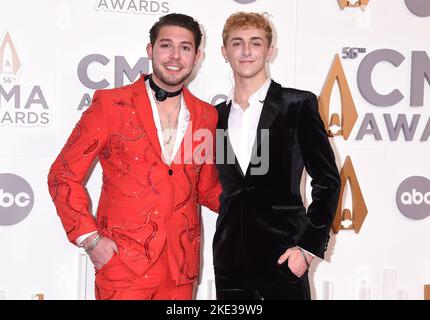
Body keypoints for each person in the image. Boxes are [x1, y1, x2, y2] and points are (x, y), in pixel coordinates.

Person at [48, 13, 221, 300]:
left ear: (197, 56)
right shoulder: (111, 104)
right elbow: (63, 175)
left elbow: (208, 188)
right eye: (166, 45)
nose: (175, 56)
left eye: (186, 48)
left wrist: (264, 213)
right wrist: (91, 240)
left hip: (180, 269)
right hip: (123, 267)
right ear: (150, 50)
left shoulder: (207, 115)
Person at [213, 12, 340, 300]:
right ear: (224, 52)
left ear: (270, 51)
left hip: (284, 259)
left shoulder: (297, 105)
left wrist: (307, 250)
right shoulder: (215, 117)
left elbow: (328, 181)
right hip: (230, 264)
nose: (246, 51)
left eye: (255, 43)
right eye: (237, 43)